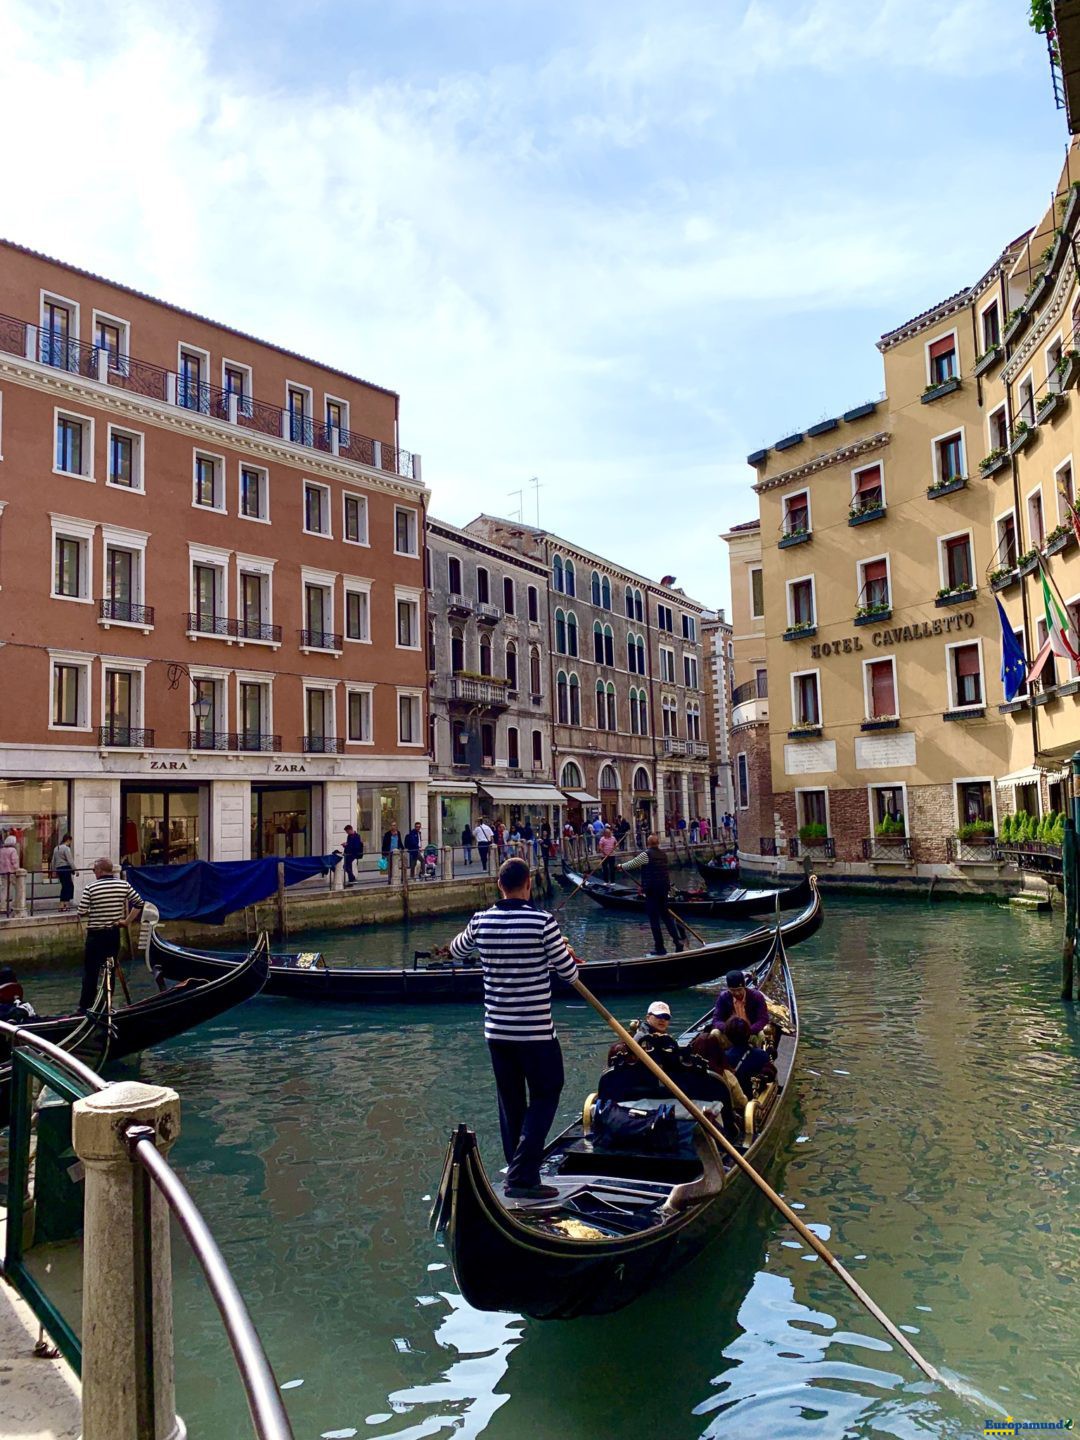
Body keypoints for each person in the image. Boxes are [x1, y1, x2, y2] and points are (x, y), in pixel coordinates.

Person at [449, 857, 580, 1200]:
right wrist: (562, 951)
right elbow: (569, 974)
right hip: (535, 1033)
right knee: (548, 1091)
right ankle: (523, 1174)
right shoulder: (543, 923)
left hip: (497, 1032)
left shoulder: (481, 921)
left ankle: (519, 1170)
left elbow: (457, 950)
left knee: (510, 1103)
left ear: (499, 886)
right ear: (529, 885)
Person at [76, 858, 143, 1013]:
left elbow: (81, 911)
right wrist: (126, 922)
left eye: (94, 870)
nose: (94, 872)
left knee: (91, 972)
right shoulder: (123, 885)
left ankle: (85, 1007)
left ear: (100, 870)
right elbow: (139, 903)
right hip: (113, 934)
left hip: (96, 935)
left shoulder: (91, 888)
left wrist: (96, 909)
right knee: (110, 970)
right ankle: (107, 1004)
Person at [619, 833, 685, 957]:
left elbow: (632, 864)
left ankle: (660, 948)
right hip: (663, 889)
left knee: (654, 919)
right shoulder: (663, 854)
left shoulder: (646, 854)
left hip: (652, 890)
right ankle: (677, 943)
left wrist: (621, 866)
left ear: (648, 843)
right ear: (658, 843)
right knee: (666, 917)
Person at [722, 1016, 777, 1092]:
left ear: (728, 1036)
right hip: (753, 1096)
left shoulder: (724, 1058)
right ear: (748, 1034)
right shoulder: (762, 1055)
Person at [712, 969, 770, 1036]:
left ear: (744, 986)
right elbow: (716, 1019)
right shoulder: (723, 997)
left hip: (751, 1033)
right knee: (715, 1033)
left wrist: (749, 1031)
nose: (737, 993)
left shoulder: (757, 996)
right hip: (731, 1035)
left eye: (739, 990)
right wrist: (728, 1029)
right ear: (728, 989)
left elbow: (763, 1019)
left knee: (762, 1034)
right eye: (733, 990)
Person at [0, 835, 18, 916]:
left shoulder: (1, 850)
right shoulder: (13, 850)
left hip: (3, 872)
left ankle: (2, 906)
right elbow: (14, 861)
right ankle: (13, 904)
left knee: (4, 889)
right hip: (12, 872)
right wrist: (17, 869)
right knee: (18, 888)